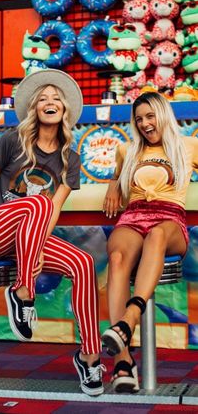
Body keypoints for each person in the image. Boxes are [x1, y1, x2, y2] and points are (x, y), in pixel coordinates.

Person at [0, 69, 106, 397]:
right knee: (36, 203)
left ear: (65, 110)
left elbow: (54, 208)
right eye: (43, 98)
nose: (50, 102)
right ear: (34, 109)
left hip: (26, 238)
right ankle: (23, 293)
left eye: (56, 98)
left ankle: (89, 356)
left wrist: (37, 243)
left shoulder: (70, 158)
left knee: (82, 263)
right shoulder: (12, 140)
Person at [101, 92, 198, 393]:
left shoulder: (188, 145)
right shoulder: (126, 150)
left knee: (156, 234)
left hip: (169, 220)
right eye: (139, 119)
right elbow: (118, 178)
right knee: (117, 259)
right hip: (133, 216)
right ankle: (123, 362)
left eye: (150, 116)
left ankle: (130, 316)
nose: (144, 124)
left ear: (163, 115)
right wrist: (114, 185)